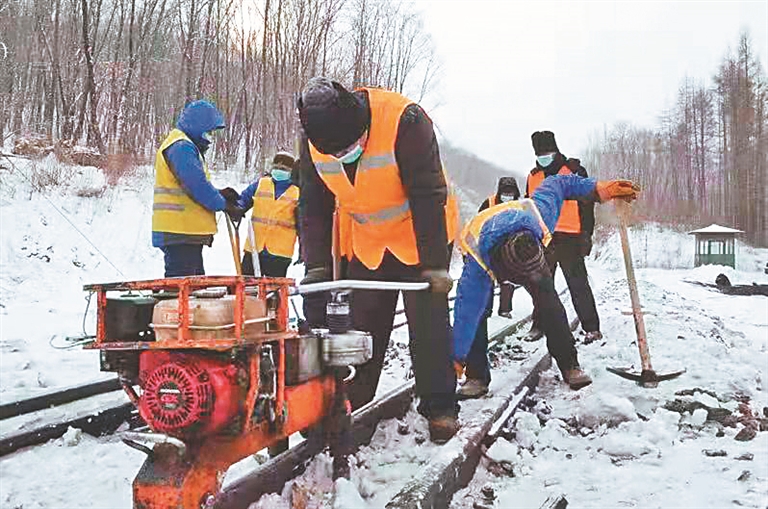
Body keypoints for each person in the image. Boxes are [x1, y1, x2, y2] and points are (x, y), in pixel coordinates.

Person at [296, 77, 460, 443]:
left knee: (427, 323)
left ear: (362, 125)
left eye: (351, 147)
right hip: (369, 241)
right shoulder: (313, 142)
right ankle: (351, 400)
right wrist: (317, 266)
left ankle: (440, 407)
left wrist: (435, 265)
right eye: (334, 153)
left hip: (422, 234)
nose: (342, 157)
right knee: (361, 327)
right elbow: (314, 206)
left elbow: (428, 192)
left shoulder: (406, 120)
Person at [453, 174, 639, 397]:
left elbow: (558, 183)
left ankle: (570, 365)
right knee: (477, 312)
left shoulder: (539, 214)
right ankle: (476, 376)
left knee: (549, 303)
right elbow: (465, 313)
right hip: (485, 244)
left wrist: (601, 190)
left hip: (527, 248)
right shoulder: (477, 262)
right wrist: (456, 357)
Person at [152, 100, 245, 277]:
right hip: (180, 231)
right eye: (208, 131)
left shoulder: (184, 145)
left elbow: (192, 185)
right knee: (183, 292)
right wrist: (222, 204)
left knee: (193, 292)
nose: (209, 136)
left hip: (184, 233)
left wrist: (220, 194)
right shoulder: (181, 147)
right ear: (198, 125)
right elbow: (197, 186)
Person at [525, 131, 602, 344]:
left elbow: (587, 206)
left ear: (556, 150)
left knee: (578, 284)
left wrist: (587, 234)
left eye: (547, 152)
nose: (543, 157)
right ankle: (538, 325)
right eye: (539, 153)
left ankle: (591, 327)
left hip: (570, 238)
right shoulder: (533, 176)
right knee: (540, 285)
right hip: (544, 239)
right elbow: (529, 207)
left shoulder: (573, 171)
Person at [238, 152, 300, 277]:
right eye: (276, 167)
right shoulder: (261, 184)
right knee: (247, 288)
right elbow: (243, 201)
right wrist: (233, 206)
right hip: (254, 248)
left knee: (274, 291)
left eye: (283, 169)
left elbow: (304, 224)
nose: (278, 171)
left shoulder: (298, 191)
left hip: (279, 253)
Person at [478, 176, 521, 319]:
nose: (507, 196)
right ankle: (486, 310)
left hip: (510, 248)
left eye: (511, 193)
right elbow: (477, 223)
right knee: (487, 279)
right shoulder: (488, 203)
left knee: (508, 280)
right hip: (489, 247)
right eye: (505, 193)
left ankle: (505, 310)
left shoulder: (519, 206)